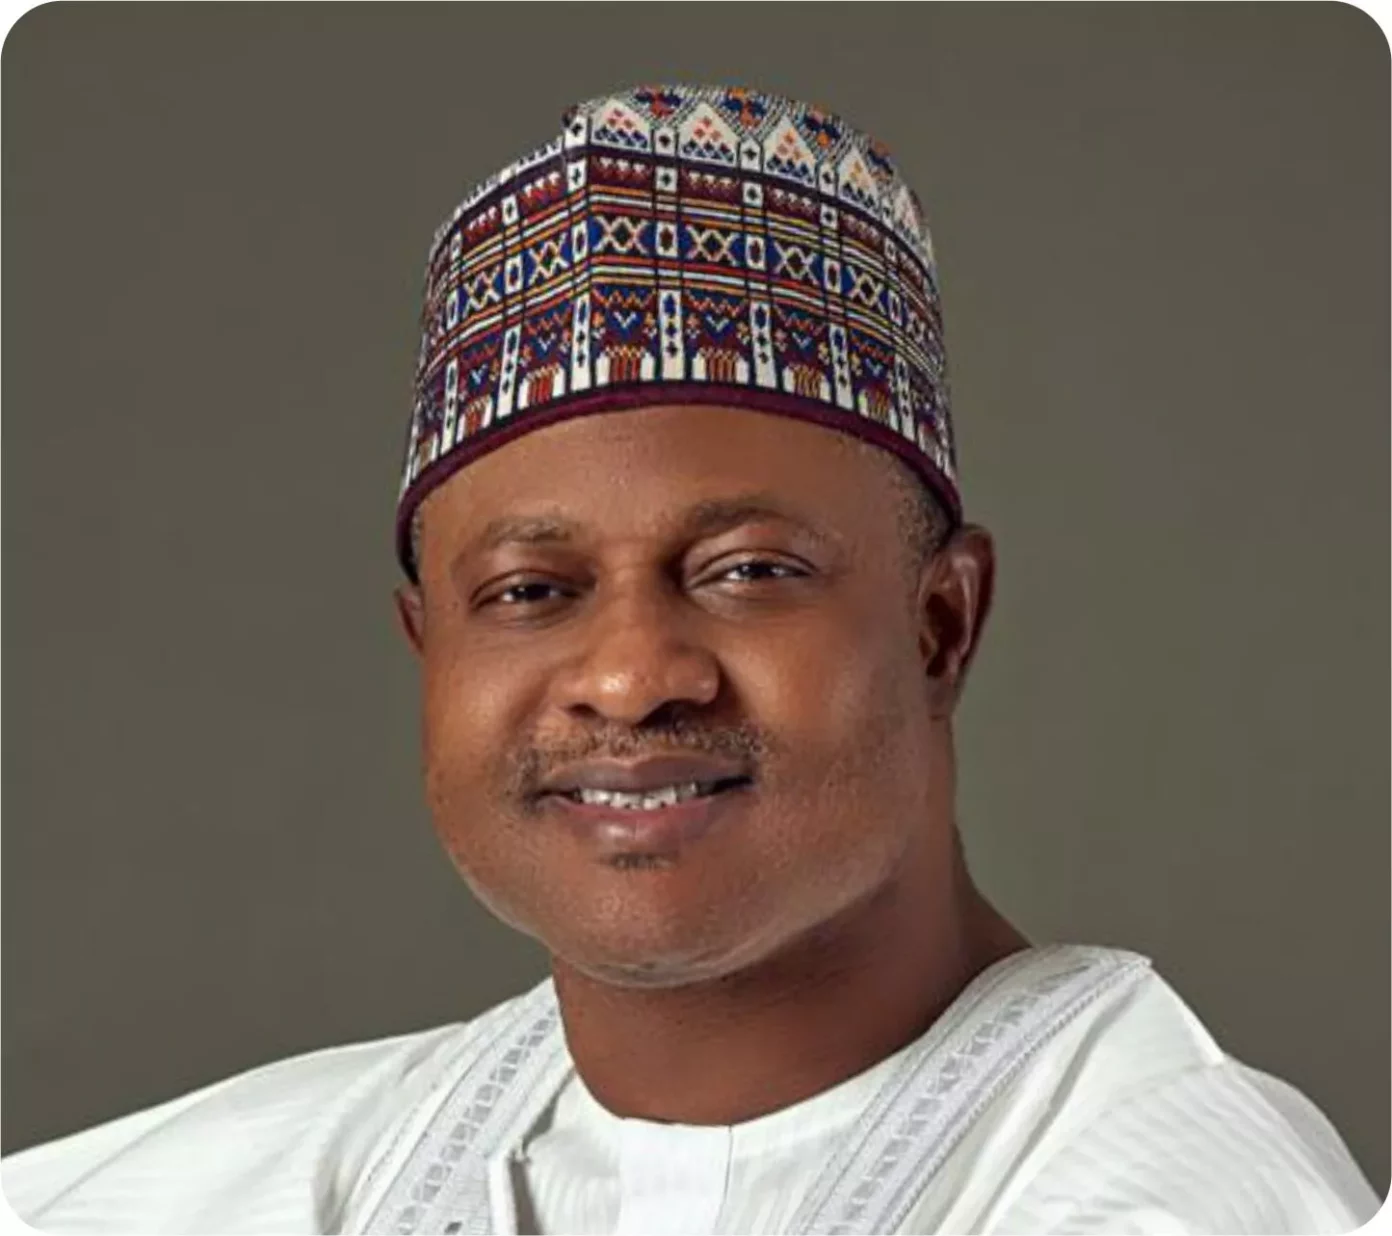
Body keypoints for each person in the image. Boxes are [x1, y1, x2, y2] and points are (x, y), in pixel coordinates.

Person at [2, 84, 1379, 1236]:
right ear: (429, 650)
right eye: (531, 591)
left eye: (747, 572)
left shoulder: (1168, 1190)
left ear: (939, 626)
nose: (630, 675)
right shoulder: (217, 1187)